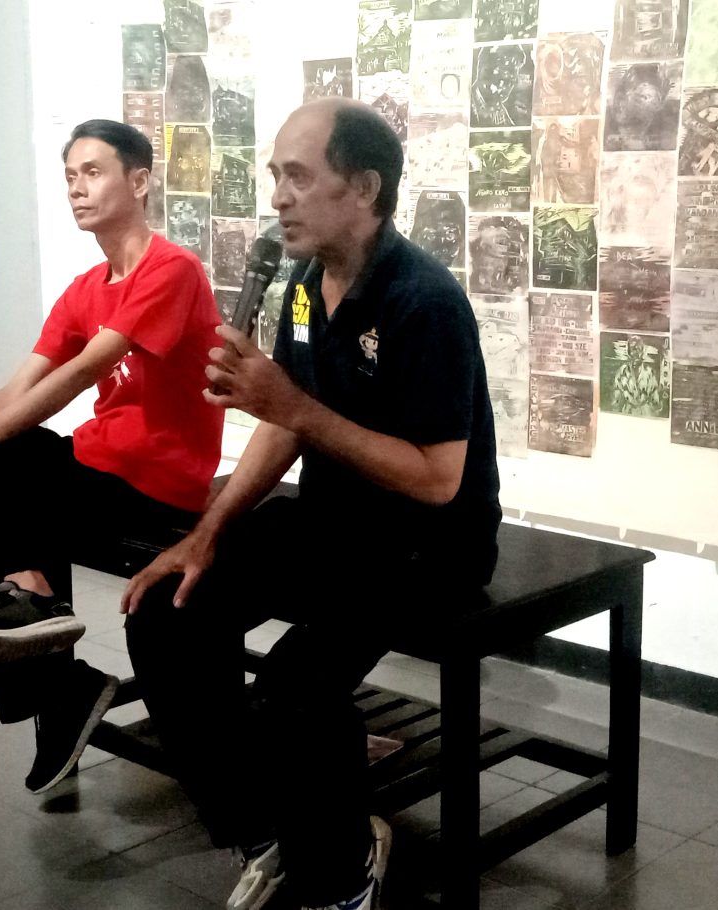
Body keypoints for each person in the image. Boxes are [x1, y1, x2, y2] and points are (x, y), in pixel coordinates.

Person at [92, 99, 498, 910]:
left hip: (426, 544)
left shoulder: (424, 302)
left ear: (364, 188)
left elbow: (436, 480)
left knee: (294, 688)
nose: (278, 196)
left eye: (299, 177)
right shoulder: (309, 284)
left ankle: (342, 873)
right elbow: (285, 422)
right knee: (167, 610)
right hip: (336, 522)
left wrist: (295, 407)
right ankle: (265, 828)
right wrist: (208, 533)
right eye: (276, 175)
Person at [0, 119, 224, 793]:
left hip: (157, 483)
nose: (77, 188)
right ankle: (50, 659)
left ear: (139, 181)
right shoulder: (85, 287)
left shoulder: (173, 270)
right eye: (71, 175)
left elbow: (82, 372)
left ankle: (54, 677)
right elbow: (17, 390)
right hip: (95, 466)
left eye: (94, 172)